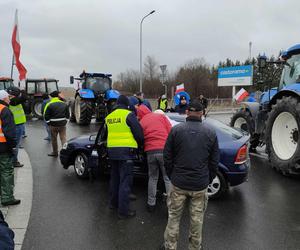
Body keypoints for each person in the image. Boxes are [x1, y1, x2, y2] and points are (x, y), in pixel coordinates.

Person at [161, 99, 219, 250]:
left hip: (178, 183)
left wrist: (172, 175)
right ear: (202, 114)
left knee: (173, 218)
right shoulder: (210, 133)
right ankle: (194, 247)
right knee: (197, 221)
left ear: (187, 112)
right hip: (199, 185)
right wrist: (207, 179)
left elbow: (167, 156)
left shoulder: (176, 131)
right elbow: (214, 162)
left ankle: (170, 247)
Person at [105, 95, 144, 219]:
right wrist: (140, 144)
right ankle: (123, 211)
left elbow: (106, 135)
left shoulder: (109, 117)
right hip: (126, 152)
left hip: (112, 152)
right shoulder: (128, 115)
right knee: (125, 182)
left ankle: (113, 204)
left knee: (115, 179)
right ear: (127, 104)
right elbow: (138, 133)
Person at [139, 106, 172, 213]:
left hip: (150, 151)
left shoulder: (142, 122)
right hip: (164, 150)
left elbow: (140, 137)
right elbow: (171, 131)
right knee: (167, 178)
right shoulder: (160, 116)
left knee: (153, 178)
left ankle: (151, 204)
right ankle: (170, 206)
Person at [0, 90, 20, 206]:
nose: (9, 99)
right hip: (3, 146)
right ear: (3, 98)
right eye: (8, 97)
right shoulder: (5, 110)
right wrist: (12, 146)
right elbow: (9, 132)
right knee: (6, 172)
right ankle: (7, 198)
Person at [44, 91, 70, 157]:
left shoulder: (49, 104)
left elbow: (46, 115)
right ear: (58, 96)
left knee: (54, 139)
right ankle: (65, 152)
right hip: (62, 125)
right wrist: (65, 121)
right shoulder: (64, 104)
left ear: (52, 97)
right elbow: (68, 115)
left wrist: (49, 123)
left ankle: (55, 153)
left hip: (53, 125)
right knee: (63, 138)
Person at [7, 86, 27, 168]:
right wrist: (23, 90)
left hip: (18, 124)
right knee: (16, 145)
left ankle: (12, 160)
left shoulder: (12, 100)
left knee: (14, 144)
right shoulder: (13, 101)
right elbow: (24, 97)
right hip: (17, 125)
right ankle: (14, 161)